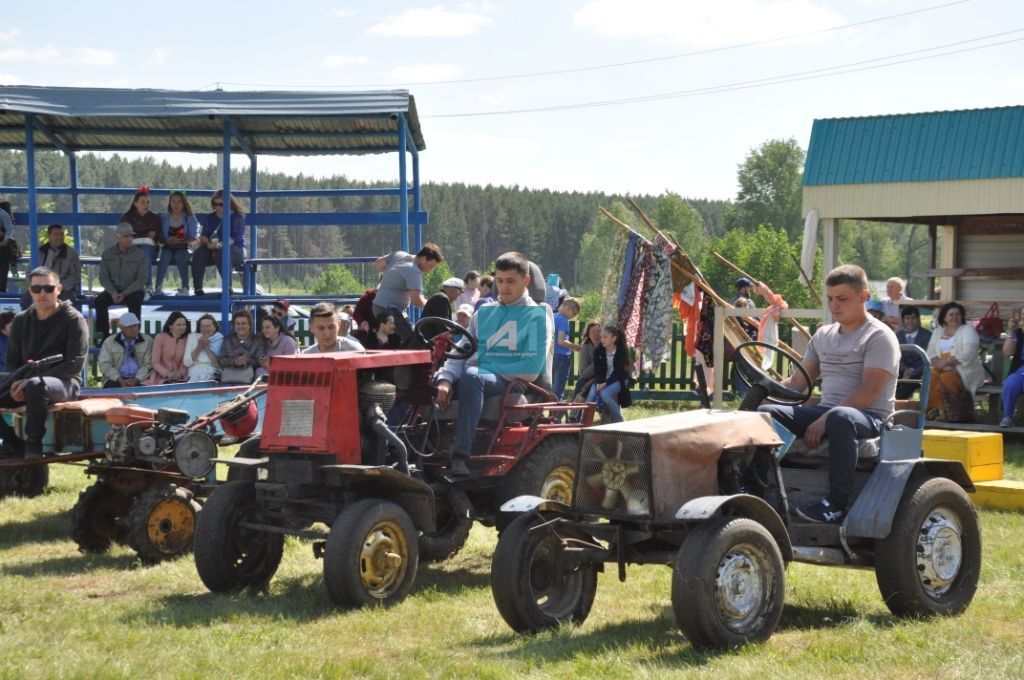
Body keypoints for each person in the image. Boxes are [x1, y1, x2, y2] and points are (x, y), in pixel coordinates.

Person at [757, 264, 899, 524]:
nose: (835, 306)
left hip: (869, 418)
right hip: (829, 413)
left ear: (864, 297)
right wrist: (766, 394)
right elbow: (798, 383)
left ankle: (836, 505)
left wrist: (825, 419)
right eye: (830, 299)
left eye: (842, 299)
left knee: (841, 418)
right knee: (765, 414)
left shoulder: (879, 337)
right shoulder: (823, 335)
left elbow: (868, 391)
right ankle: (760, 492)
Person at [434, 252, 554, 476]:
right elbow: (460, 350)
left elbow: (529, 369)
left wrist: (481, 366)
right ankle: (413, 448)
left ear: (526, 281)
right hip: (479, 376)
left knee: (472, 376)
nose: (504, 287)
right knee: (421, 380)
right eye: (499, 281)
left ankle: (461, 456)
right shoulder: (484, 313)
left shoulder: (536, 317)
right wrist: (445, 379)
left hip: (513, 381)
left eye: (511, 281)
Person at [0, 266, 89, 458]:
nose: (42, 293)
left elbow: (74, 364)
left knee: (36, 385)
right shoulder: (21, 320)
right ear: (30, 291)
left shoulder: (74, 319)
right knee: (26, 384)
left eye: (48, 288)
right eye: (36, 289)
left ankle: (34, 446)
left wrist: (28, 381)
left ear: (58, 289)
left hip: (64, 383)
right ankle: (11, 441)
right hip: (25, 380)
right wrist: (14, 383)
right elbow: (12, 361)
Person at [925, 302, 984, 421]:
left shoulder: (968, 330)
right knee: (932, 375)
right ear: (944, 318)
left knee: (947, 377)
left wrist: (950, 363)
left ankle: (949, 412)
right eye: (951, 315)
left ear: (962, 317)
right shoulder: (938, 331)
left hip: (965, 369)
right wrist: (938, 363)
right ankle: (933, 409)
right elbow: (930, 350)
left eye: (957, 315)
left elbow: (970, 352)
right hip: (941, 366)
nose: (954, 317)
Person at [372, 243, 444, 341]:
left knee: (403, 338)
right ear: (424, 259)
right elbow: (416, 301)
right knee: (413, 340)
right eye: (430, 267)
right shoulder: (414, 271)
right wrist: (430, 303)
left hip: (378, 306)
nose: (429, 270)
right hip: (390, 311)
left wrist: (389, 277)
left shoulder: (400, 254)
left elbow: (379, 263)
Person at [95, 223, 147, 340]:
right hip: (113, 289)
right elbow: (103, 277)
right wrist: (112, 292)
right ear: (118, 237)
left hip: (133, 289)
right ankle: (103, 337)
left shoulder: (140, 255)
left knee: (135, 301)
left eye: (131, 236)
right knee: (99, 301)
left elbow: (141, 279)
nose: (129, 239)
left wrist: (125, 293)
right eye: (125, 236)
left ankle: (135, 337)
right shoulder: (108, 254)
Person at [192, 190, 246, 296]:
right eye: (215, 204)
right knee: (199, 253)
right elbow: (204, 235)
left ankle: (227, 288)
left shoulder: (237, 217)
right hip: (213, 248)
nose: (218, 207)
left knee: (222, 253)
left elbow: (236, 237)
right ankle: (198, 288)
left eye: (221, 204)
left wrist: (219, 245)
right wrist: (206, 241)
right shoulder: (211, 217)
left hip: (234, 249)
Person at [19, 224, 81, 309]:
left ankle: (61, 322)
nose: (59, 237)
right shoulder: (39, 252)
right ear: (49, 236)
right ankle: (32, 322)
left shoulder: (71, 253)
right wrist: (38, 285)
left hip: (63, 288)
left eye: (61, 234)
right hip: (40, 285)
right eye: (56, 234)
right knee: (25, 302)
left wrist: (56, 286)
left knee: (66, 306)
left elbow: (75, 276)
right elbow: (30, 272)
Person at [119, 186, 163, 295]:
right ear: (135, 203)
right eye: (143, 202)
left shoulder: (154, 218)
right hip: (131, 249)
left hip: (149, 250)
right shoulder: (127, 217)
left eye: (148, 202)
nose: (146, 205)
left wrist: (154, 236)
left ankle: (148, 286)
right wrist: (145, 235)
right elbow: (123, 236)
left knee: (144, 252)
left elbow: (160, 237)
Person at [156, 190, 199, 295]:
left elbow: (195, 238)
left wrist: (180, 241)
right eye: (173, 201)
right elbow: (159, 236)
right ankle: (158, 287)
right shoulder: (164, 218)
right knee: (165, 256)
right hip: (168, 247)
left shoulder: (189, 218)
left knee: (180, 256)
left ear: (184, 203)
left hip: (183, 248)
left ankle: (185, 287)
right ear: (170, 203)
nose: (176, 204)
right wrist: (166, 241)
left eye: (179, 202)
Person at [586, 325, 632, 423]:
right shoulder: (599, 351)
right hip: (602, 380)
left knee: (605, 394)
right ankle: (585, 421)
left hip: (618, 379)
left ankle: (619, 421)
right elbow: (599, 371)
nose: (601, 339)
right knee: (591, 396)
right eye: (601, 336)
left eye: (605, 337)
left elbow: (618, 373)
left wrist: (605, 383)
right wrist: (599, 382)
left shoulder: (621, 352)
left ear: (614, 338)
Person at [97, 312, 153, 388]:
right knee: (111, 389)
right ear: (121, 327)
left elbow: (148, 364)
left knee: (145, 390)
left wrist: (137, 379)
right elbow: (104, 364)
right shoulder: (110, 341)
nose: (133, 329)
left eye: (135, 325)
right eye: (129, 326)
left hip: (141, 378)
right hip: (116, 379)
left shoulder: (148, 340)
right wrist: (119, 379)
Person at [218, 309, 265, 384]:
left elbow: (260, 360)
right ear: (234, 325)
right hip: (229, 380)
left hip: (251, 381)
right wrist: (235, 361)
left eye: (243, 323)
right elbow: (221, 360)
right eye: (237, 323)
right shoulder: (227, 340)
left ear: (249, 325)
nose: (240, 326)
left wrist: (247, 360)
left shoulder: (257, 340)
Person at [895, 305, 932, 399]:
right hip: (901, 371)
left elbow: (929, 357)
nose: (910, 321)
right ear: (902, 320)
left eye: (914, 318)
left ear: (918, 319)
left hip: (921, 372)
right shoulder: (897, 336)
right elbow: (896, 357)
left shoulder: (927, 335)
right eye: (907, 318)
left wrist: (913, 371)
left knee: (904, 390)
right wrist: (905, 369)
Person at [146, 312, 190, 385]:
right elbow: (155, 362)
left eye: (184, 324)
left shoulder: (187, 339)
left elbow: (185, 360)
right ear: (170, 326)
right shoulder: (160, 337)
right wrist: (167, 373)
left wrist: (181, 373)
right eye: (178, 325)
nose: (182, 327)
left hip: (181, 376)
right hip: (160, 376)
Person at [552, 297, 582, 400]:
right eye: (574, 314)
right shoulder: (563, 320)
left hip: (551, 356)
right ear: (569, 308)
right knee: (558, 389)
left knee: (551, 387)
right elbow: (561, 341)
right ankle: (554, 414)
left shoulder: (553, 317)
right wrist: (575, 347)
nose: (573, 317)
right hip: (562, 357)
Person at [999, 312, 1024, 427]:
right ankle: (1007, 416)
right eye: (1022, 318)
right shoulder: (1018, 333)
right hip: (1020, 370)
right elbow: (1007, 352)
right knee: (1010, 384)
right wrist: (1011, 331)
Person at [183, 314, 224, 382]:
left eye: (208, 326)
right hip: (194, 374)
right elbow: (187, 363)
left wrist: (206, 347)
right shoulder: (192, 337)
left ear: (214, 327)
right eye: (203, 326)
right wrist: (199, 346)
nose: (205, 329)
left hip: (212, 375)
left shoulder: (219, 339)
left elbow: (216, 363)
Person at [571, 320, 603, 401]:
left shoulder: (606, 345)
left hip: (605, 376)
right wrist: (597, 361)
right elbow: (583, 373)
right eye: (593, 332)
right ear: (588, 334)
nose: (596, 334)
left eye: (599, 331)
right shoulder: (585, 347)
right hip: (589, 376)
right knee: (580, 383)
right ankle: (575, 411)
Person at [0, 201, 17, 292]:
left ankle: (2, 288)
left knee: (3, 264)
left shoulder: (2, 213)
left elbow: (10, 228)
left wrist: (5, 239)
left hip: (3, 244)